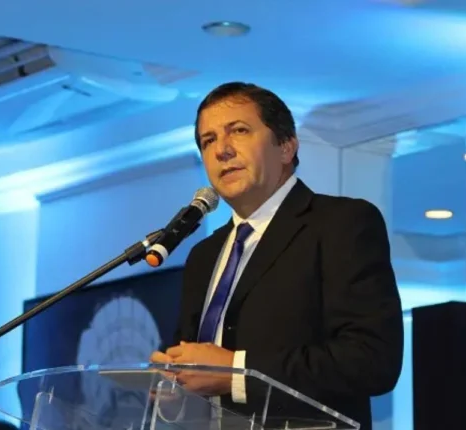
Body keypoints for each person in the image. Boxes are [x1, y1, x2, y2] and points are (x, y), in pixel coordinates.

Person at [150, 82, 404, 430]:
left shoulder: (340, 224)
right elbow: (202, 376)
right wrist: (176, 390)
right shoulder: (203, 256)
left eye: (239, 131)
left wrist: (236, 372)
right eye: (208, 140)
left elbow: (372, 360)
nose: (222, 150)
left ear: (285, 147)